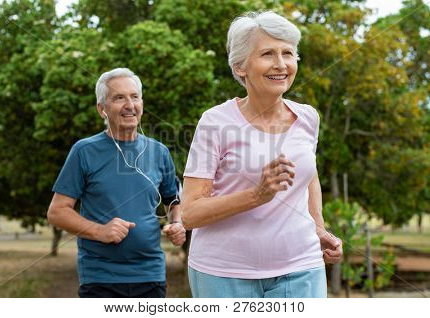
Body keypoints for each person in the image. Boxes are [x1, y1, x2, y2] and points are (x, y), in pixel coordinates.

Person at [182, 11, 342, 298]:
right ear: (240, 66)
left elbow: (309, 177)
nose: (281, 64)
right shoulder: (215, 122)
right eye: (268, 54)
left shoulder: (308, 118)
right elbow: (190, 214)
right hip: (223, 274)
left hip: (301, 267)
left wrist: (319, 228)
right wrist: (256, 195)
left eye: (288, 53)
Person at [47, 68, 186, 298]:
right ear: (102, 109)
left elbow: (173, 199)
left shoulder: (159, 152)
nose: (129, 104)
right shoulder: (84, 151)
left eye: (134, 96)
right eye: (119, 98)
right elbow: (57, 212)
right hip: (101, 278)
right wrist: (100, 231)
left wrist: (177, 223)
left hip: (151, 275)